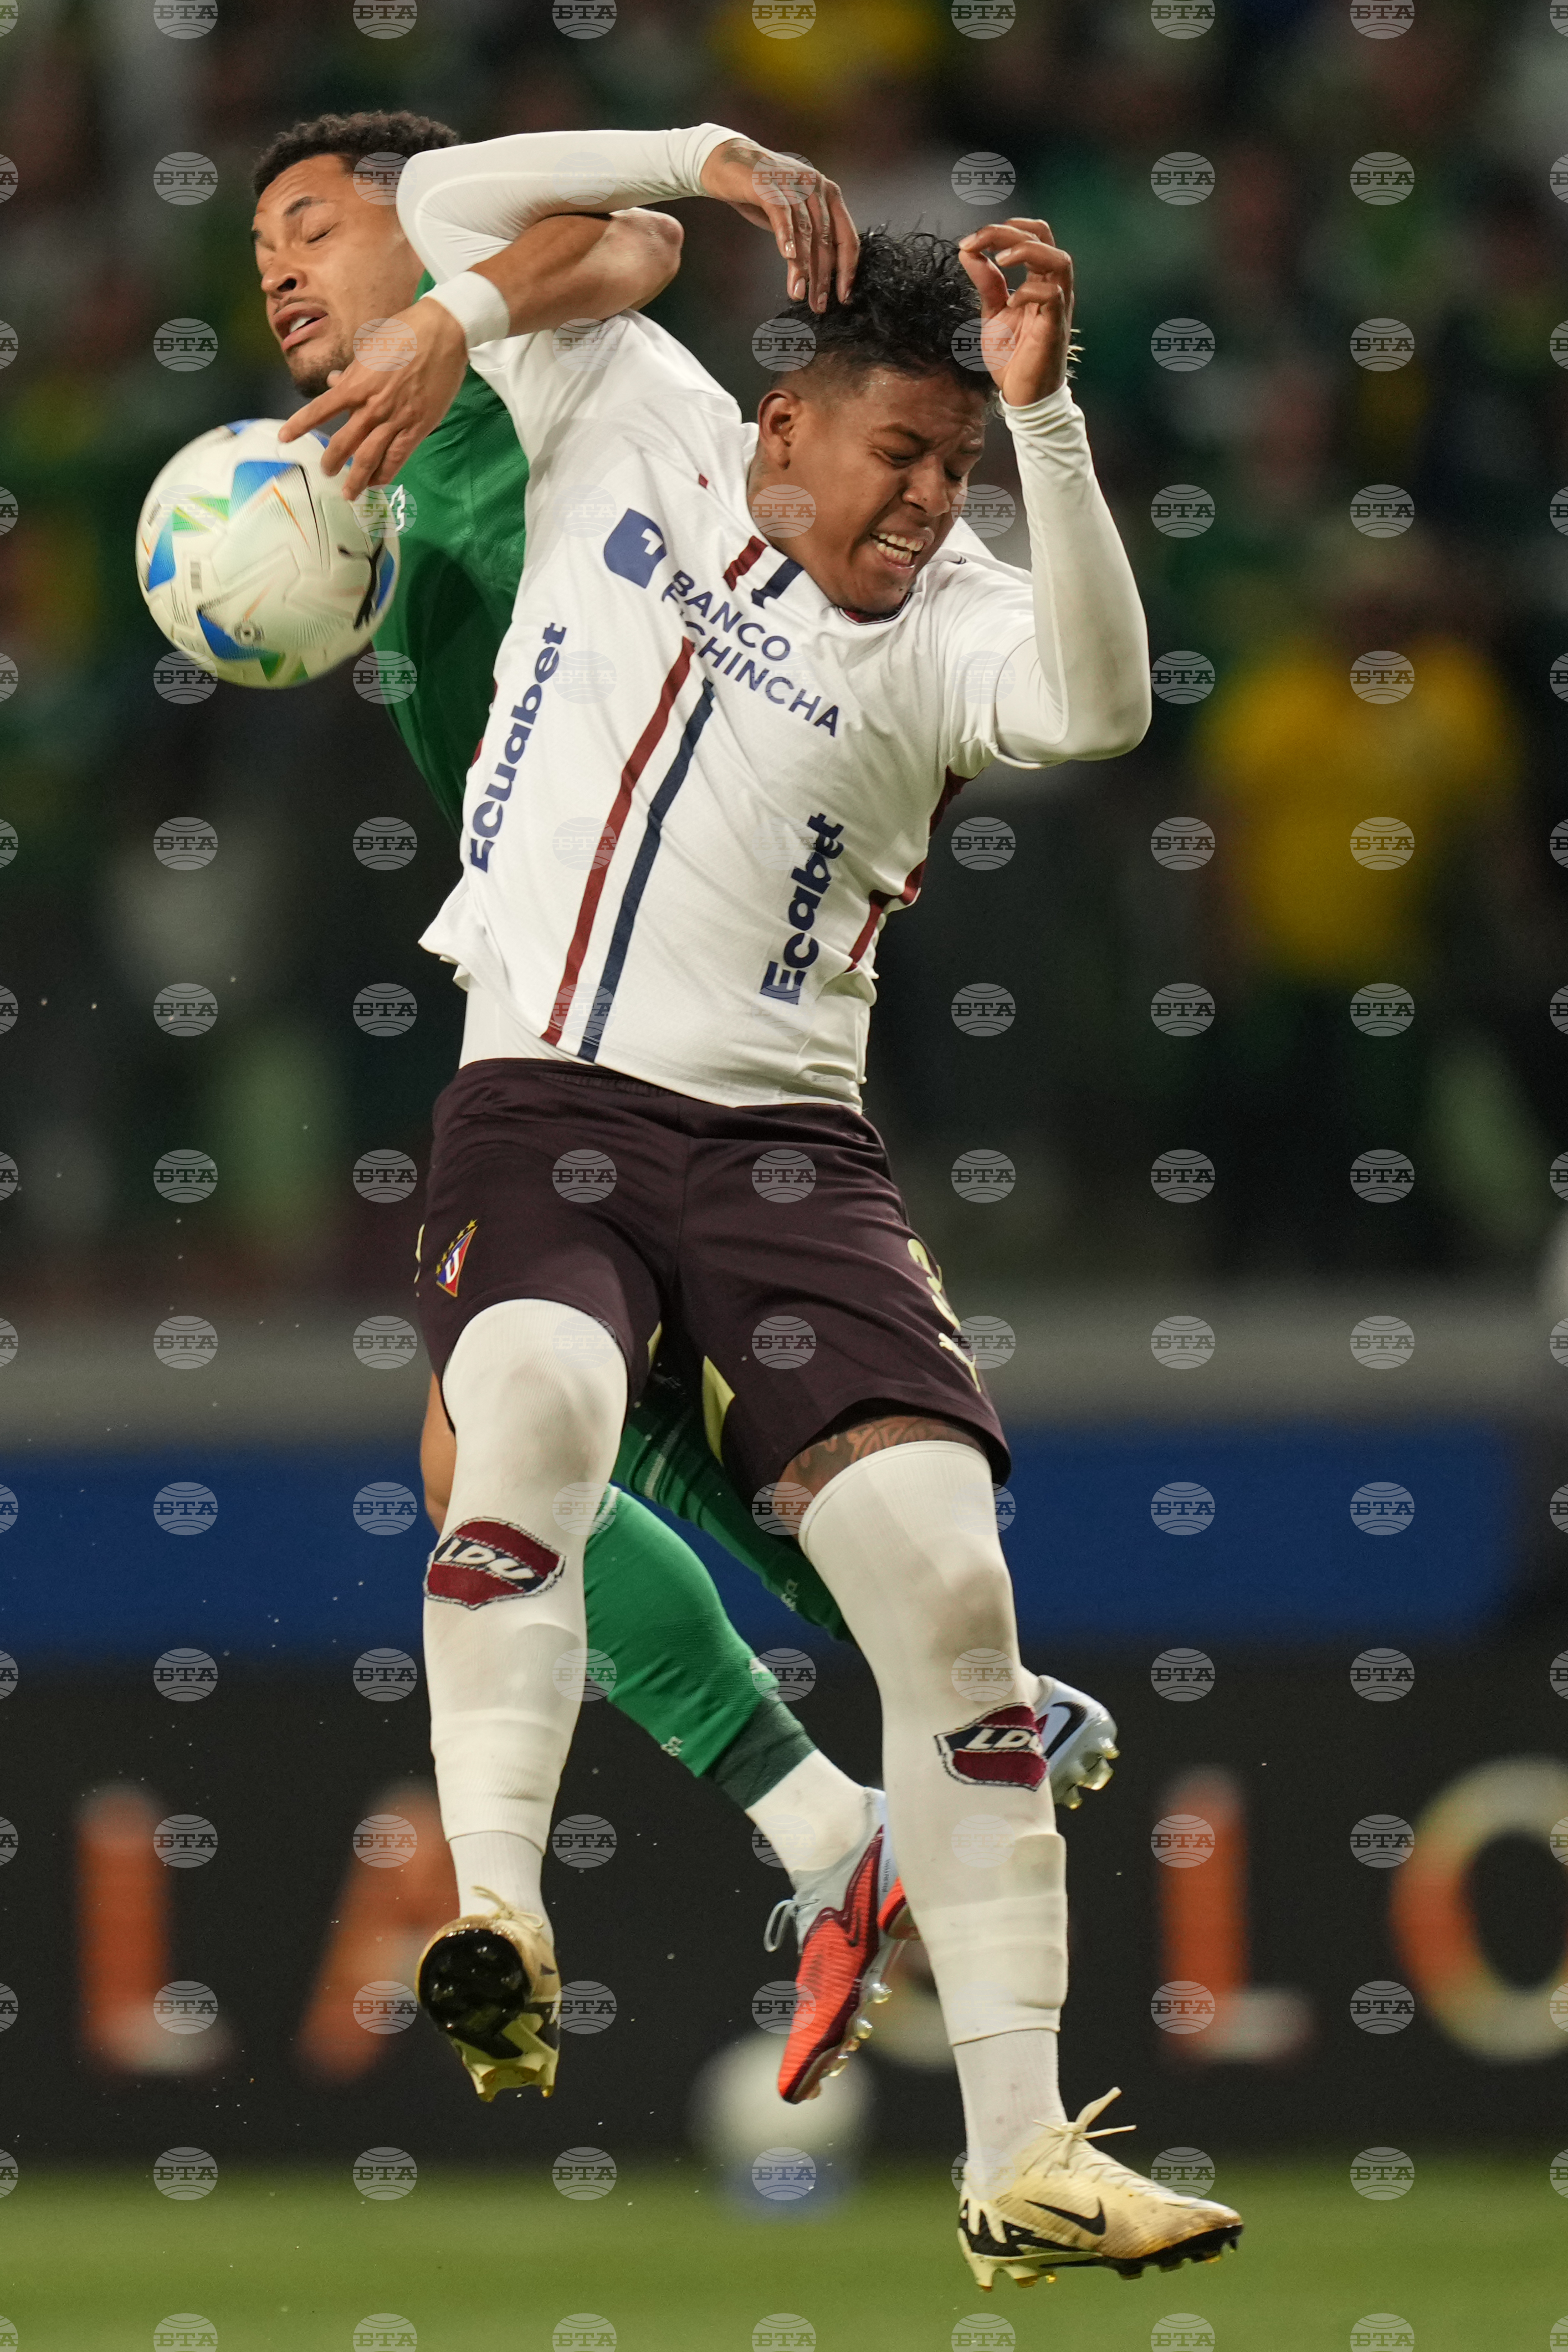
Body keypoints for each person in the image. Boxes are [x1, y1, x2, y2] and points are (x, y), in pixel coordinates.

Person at [286, 115, 1242, 2292]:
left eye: (954, 468)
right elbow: (454, 208)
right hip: (541, 1106)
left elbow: (1101, 704)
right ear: (785, 421)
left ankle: (1023, 2148)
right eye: (899, 455)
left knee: (949, 1587)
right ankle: (502, 1911)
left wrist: (1052, 423)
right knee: (511, 1416)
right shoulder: (638, 415)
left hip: (796, 1161)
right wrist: (696, 165)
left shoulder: (961, 613)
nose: (927, 504)